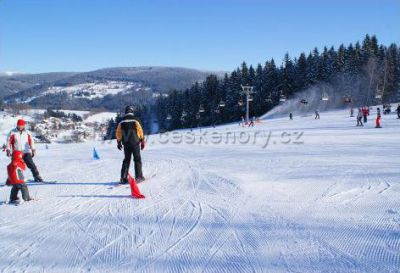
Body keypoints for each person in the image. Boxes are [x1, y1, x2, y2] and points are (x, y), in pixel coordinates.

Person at [116, 106, 146, 184]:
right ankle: (139, 177)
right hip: (135, 143)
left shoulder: (121, 121)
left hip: (126, 143)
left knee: (126, 160)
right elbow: (140, 131)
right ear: (132, 111)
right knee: (137, 159)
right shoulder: (136, 120)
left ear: (126, 112)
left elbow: (118, 133)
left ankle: (123, 178)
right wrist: (142, 140)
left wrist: (118, 142)